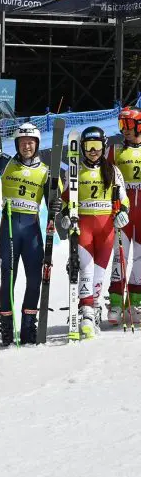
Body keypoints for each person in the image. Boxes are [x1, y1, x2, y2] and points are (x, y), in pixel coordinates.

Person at [0, 121, 63, 346]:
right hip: (9, 225)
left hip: (32, 228)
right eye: (23, 142)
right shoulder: (6, 163)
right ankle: (7, 327)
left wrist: (58, 205)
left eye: (31, 142)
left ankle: (28, 326)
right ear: (17, 144)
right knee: (8, 277)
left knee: (34, 277)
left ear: (36, 144)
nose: (27, 146)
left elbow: (57, 200)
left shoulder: (45, 171)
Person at [61, 127, 129, 338]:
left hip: (106, 227)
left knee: (100, 273)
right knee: (87, 270)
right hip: (84, 226)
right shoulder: (75, 170)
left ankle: (95, 307)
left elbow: (123, 197)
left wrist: (123, 212)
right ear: (82, 148)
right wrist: (65, 213)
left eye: (97, 146)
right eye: (89, 146)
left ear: (103, 146)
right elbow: (66, 198)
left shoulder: (112, 170)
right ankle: (86, 311)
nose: (93, 151)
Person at [106, 107, 141, 325]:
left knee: (140, 261)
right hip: (123, 211)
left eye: (128, 125)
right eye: (122, 126)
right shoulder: (115, 150)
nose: (124, 130)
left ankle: (135, 303)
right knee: (120, 258)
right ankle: (116, 303)